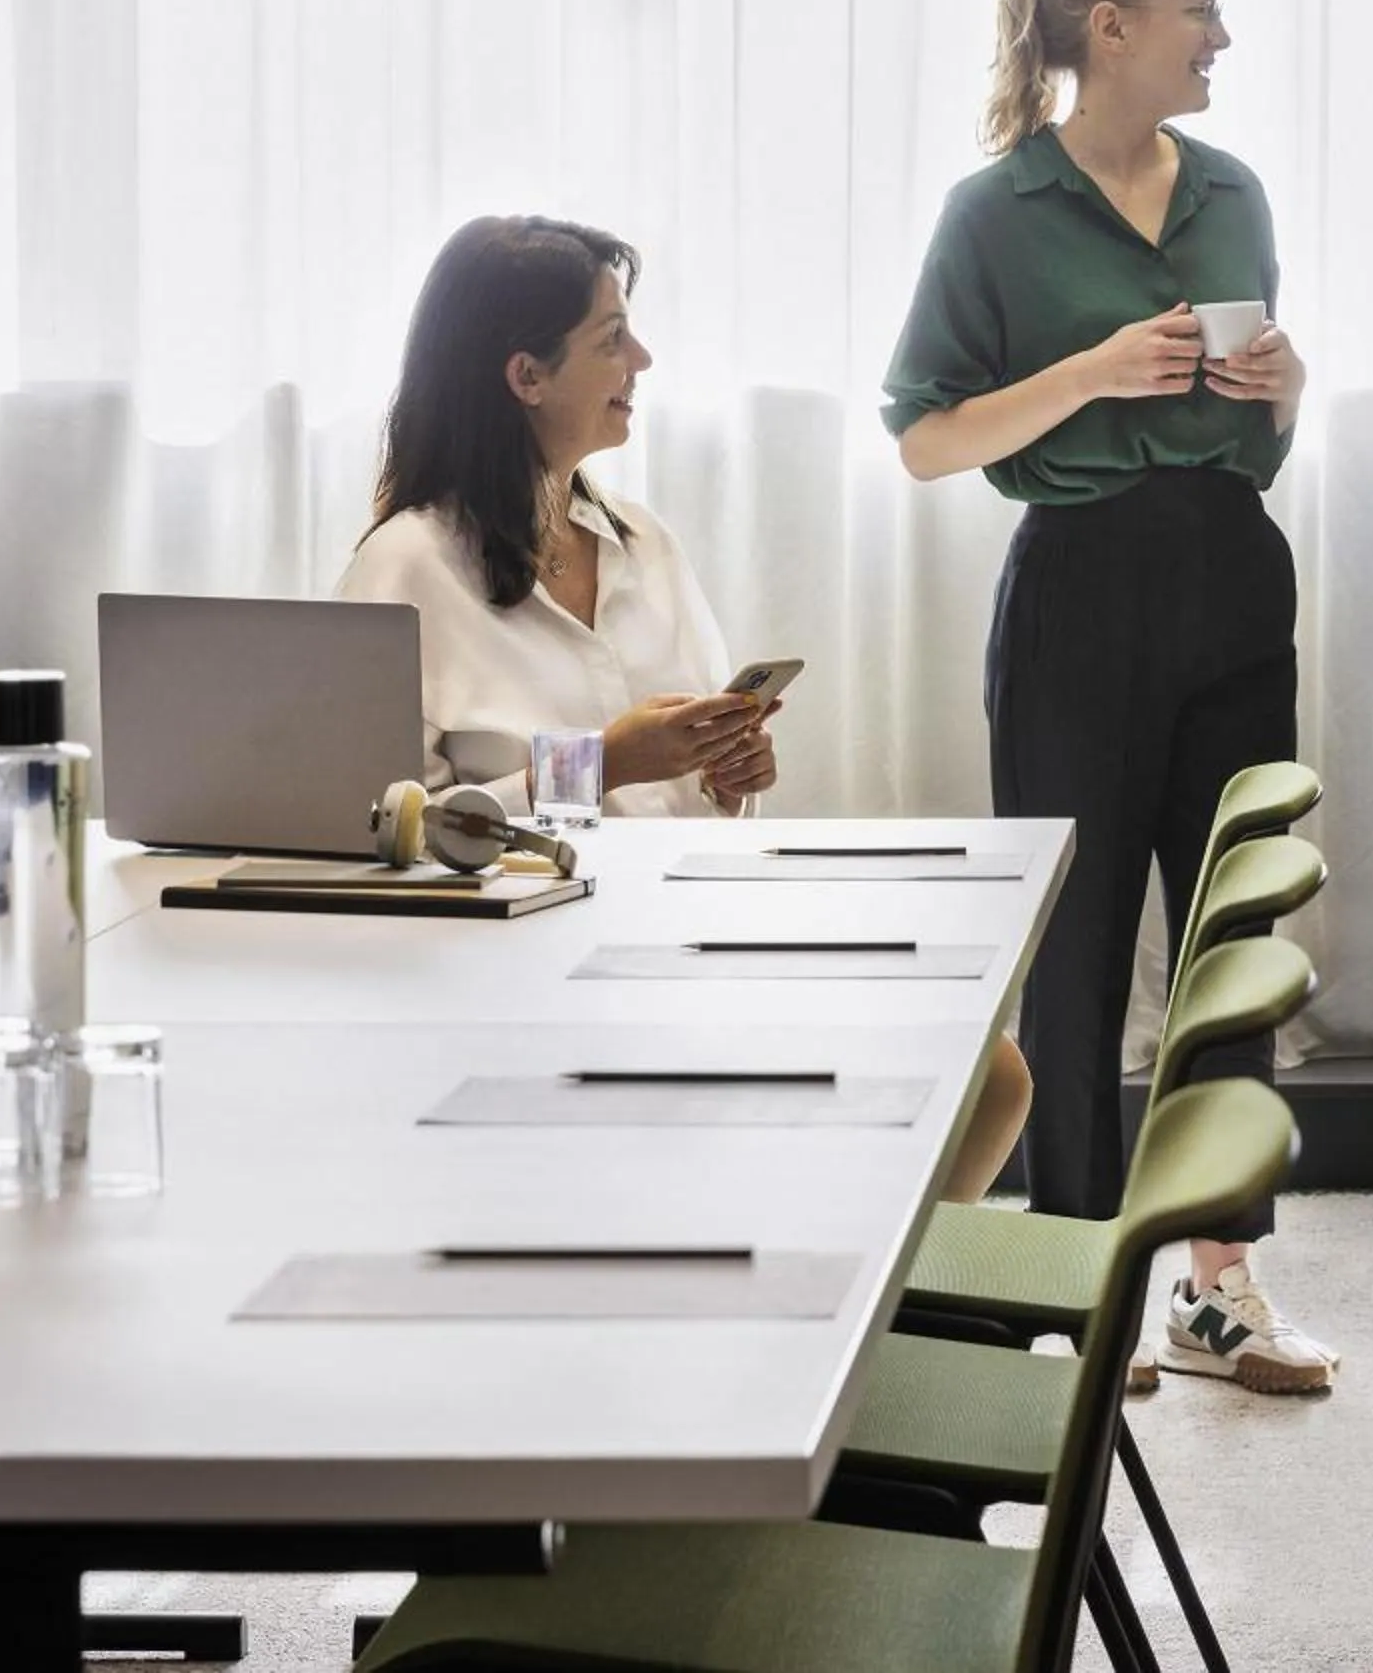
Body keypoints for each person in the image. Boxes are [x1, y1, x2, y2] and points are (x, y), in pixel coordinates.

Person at [340, 213, 1030, 1205]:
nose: (643, 359)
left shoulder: (639, 541)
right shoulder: (406, 567)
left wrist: (730, 772)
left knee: (992, 1076)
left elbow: (696, 779)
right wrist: (601, 766)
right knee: (949, 1079)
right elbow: (384, 842)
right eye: (610, 339)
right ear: (525, 376)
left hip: (691, 918)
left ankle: (884, 1319)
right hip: (531, 963)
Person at [881, 0, 1334, 1394]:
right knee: (1072, 954)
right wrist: (1085, 374)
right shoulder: (995, 211)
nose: (1220, 34)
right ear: (1111, 28)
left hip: (1228, 572)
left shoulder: (1233, 193)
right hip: (1075, 590)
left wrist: (1284, 380)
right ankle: (1079, 1278)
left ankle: (1217, 1283)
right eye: (1199, 6)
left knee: (1228, 931)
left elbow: (1265, 432)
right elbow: (928, 437)